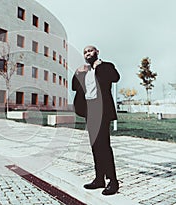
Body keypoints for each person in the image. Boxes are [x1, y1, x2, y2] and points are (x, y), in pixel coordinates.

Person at [72, 45, 120, 195]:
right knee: (95, 146)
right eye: (85, 52)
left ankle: (113, 181)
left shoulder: (106, 66)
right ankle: (99, 179)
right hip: (89, 110)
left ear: (97, 52)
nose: (87, 53)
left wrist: (101, 67)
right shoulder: (84, 71)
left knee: (104, 145)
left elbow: (115, 77)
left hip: (102, 110)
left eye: (90, 51)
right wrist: (76, 72)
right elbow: (74, 87)